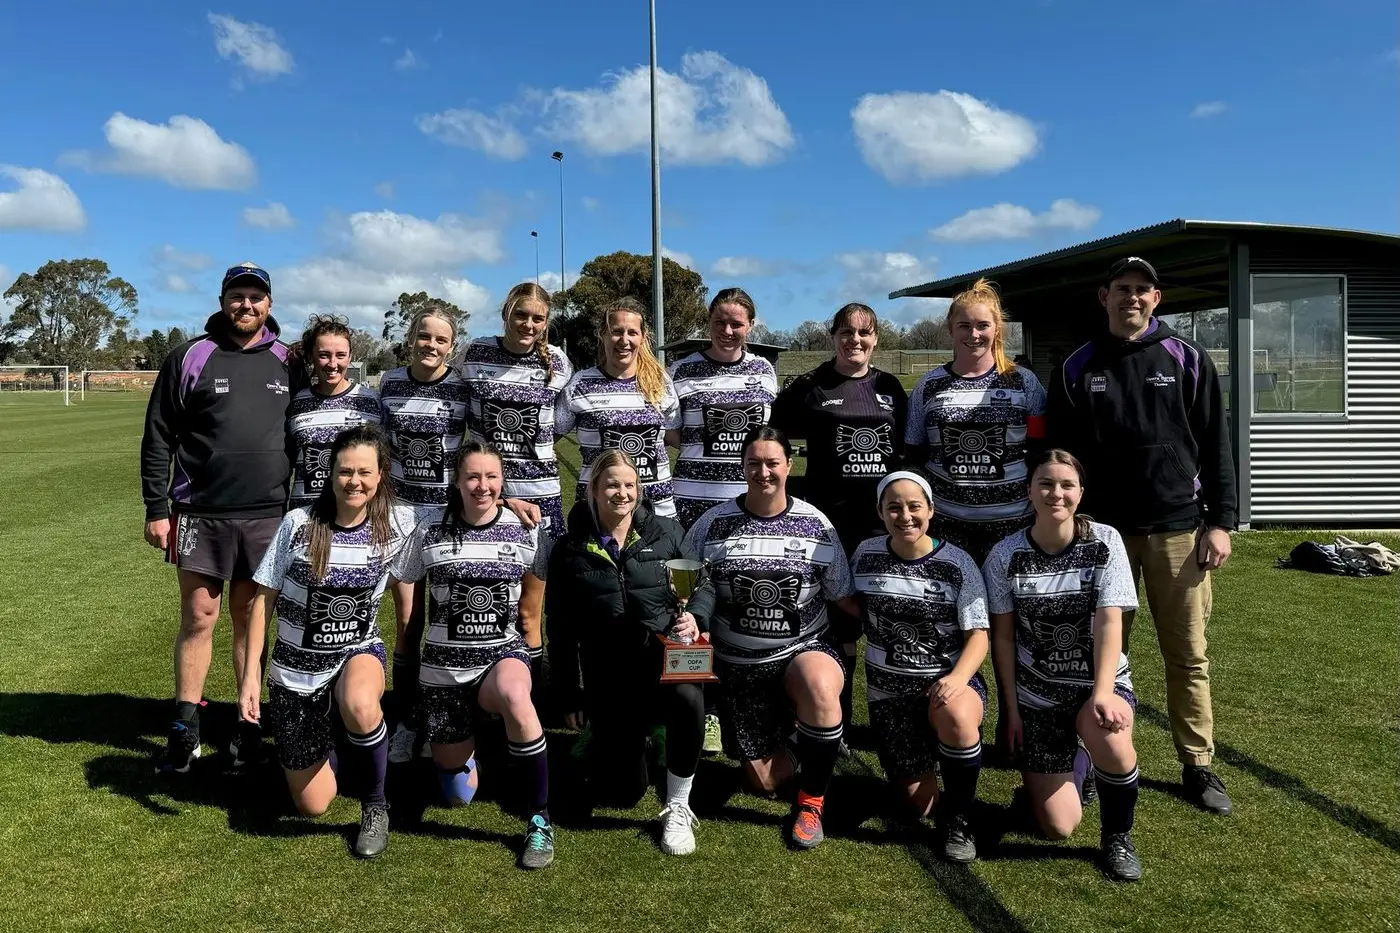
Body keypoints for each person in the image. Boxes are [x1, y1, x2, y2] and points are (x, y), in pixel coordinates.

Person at [1046, 256, 1236, 816]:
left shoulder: (1187, 357)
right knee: (1101, 657)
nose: (1132, 297)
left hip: (1179, 529)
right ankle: (1091, 760)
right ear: (1103, 296)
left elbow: (1218, 444)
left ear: (1157, 299)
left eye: (1142, 290)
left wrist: (1220, 521)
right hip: (1103, 537)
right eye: (1122, 289)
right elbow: (1060, 456)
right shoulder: (1077, 365)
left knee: (1188, 655)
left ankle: (1197, 765)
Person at [140, 261, 298, 774]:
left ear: (269, 304)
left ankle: (249, 726)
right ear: (223, 299)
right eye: (238, 296)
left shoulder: (287, 361)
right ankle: (185, 730)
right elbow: (159, 433)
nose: (246, 305)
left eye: (256, 297)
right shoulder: (190, 356)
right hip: (200, 513)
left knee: (251, 621)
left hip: (268, 517)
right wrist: (157, 508)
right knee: (199, 618)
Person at [237, 424, 416, 859]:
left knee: (359, 701)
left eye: (365, 473)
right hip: (296, 670)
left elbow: (469, 503)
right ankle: (331, 734)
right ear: (330, 473)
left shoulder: (399, 522)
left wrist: (507, 501)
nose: (354, 481)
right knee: (313, 805)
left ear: (380, 477)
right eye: (345, 471)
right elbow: (262, 602)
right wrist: (250, 679)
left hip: (357, 652)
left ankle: (375, 805)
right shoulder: (299, 524)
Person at [684, 426, 857, 851]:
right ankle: (804, 735)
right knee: (763, 781)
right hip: (739, 666)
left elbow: (843, 595)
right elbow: (685, 585)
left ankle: (812, 804)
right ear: (742, 468)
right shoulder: (713, 523)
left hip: (802, 650)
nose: (764, 472)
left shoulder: (816, 523)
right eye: (754, 463)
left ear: (788, 466)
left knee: (818, 682)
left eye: (772, 463)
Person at [390, 443, 556, 870]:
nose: (483, 486)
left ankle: (539, 817)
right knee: (458, 796)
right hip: (443, 672)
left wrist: (536, 679)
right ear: (457, 481)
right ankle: (475, 748)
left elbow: (531, 615)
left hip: (502, 657)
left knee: (516, 697)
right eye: (473, 477)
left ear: (503, 482)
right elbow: (406, 607)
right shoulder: (429, 532)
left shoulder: (527, 529)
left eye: (491, 477)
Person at [984, 449, 1144, 882]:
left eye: (1066, 485)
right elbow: (1002, 637)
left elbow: (1111, 620)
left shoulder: (1104, 541)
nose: (1056, 493)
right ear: (1029, 491)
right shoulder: (1005, 555)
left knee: (1110, 735)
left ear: (1080, 493)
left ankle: (1118, 837)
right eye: (1046, 484)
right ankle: (1078, 766)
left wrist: (1103, 692)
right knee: (1057, 827)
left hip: (1099, 685)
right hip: (1038, 693)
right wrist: (1011, 710)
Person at [546, 449, 715, 856]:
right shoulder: (569, 549)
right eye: (611, 485)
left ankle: (677, 803)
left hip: (662, 662)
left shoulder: (668, 532)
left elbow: (702, 586)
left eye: (629, 485)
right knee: (622, 794)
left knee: (689, 697)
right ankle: (626, 733)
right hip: (610, 677)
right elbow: (561, 630)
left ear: (639, 490)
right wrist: (570, 693)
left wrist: (696, 617)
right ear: (592, 491)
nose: (621, 494)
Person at [771, 302, 907, 743]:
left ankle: (895, 720)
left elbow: (907, 452)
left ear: (875, 339)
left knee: (885, 622)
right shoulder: (810, 386)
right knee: (832, 624)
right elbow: (773, 439)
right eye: (847, 332)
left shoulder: (889, 387)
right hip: (827, 527)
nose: (856, 340)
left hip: (881, 529)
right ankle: (833, 723)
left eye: (865, 333)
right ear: (832, 336)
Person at [849, 471, 989, 863]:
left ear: (931, 509)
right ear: (880, 511)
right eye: (894, 507)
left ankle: (961, 820)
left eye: (914, 506)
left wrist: (958, 678)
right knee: (917, 805)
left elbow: (979, 633)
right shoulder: (865, 554)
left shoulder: (956, 563)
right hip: (889, 695)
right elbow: (849, 602)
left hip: (945, 686)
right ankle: (937, 771)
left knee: (955, 712)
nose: (905, 515)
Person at [667, 286, 778, 756]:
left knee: (738, 603)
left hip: (745, 508)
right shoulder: (684, 371)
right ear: (708, 323)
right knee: (688, 608)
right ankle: (699, 710)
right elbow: (670, 433)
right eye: (719, 321)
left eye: (737, 322)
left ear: (750, 325)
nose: (728, 330)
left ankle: (739, 702)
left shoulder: (764, 371)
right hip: (691, 506)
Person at [457, 283, 573, 676]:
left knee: (530, 609)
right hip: (487, 495)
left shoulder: (557, 362)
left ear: (546, 322)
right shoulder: (475, 353)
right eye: (521, 315)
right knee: (482, 601)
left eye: (538, 318)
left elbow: (558, 424)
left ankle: (534, 695)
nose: (528, 324)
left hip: (542, 497)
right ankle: (476, 686)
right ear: (506, 312)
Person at [378, 305, 471, 762]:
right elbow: (377, 446)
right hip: (400, 515)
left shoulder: (461, 387)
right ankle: (407, 718)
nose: (431, 345)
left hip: (449, 519)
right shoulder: (390, 382)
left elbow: (482, 446)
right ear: (410, 337)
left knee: (448, 617)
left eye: (440, 339)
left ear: (451, 346)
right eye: (424, 336)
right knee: (408, 621)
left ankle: (444, 716)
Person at [904, 278, 1047, 564]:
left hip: (1014, 525)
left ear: (997, 328)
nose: (974, 334)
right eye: (964, 326)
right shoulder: (928, 386)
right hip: (947, 525)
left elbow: (1042, 451)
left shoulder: (1024, 382)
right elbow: (913, 455)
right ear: (950, 329)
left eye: (983, 325)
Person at [555, 298, 681, 518]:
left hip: (657, 513)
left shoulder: (662, 383)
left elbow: (677, 437)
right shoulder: (580, 384)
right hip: (596, 513)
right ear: (602, 334)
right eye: (616, 331)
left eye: (632, 332)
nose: (624, 340)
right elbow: (546, 438)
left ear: (643, 337)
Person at [286, 315, 386, 511]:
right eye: (324, 355)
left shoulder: (371, 401)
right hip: (306, 514)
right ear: (311, 356)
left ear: (350, 356)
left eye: (340, 355)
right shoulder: (297, 402)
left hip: (357, 517)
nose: (333, 364)